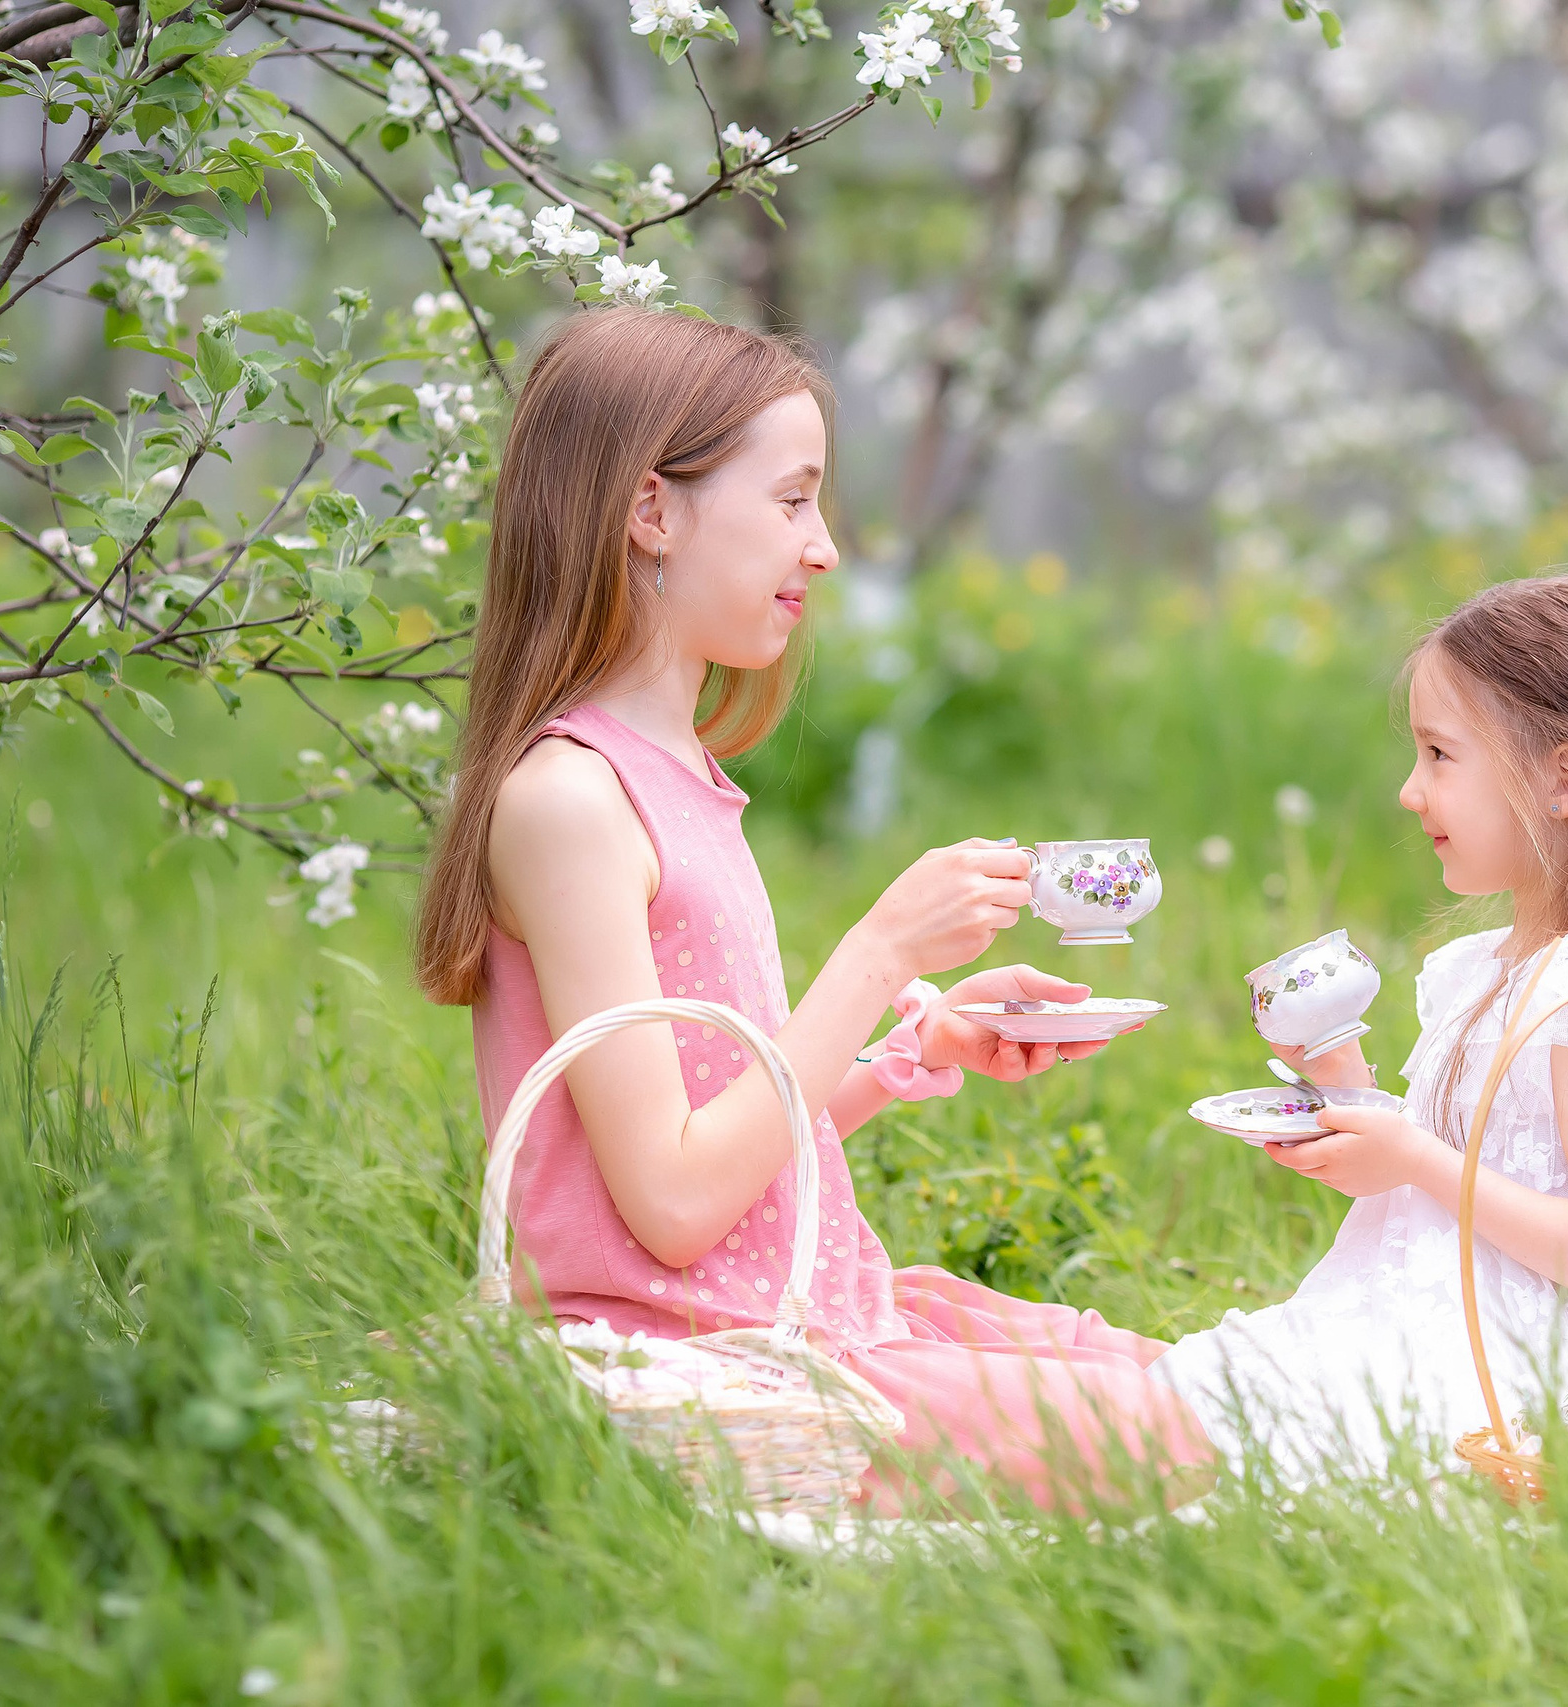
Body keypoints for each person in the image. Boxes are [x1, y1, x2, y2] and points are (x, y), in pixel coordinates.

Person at [415, 307, 1210, 1513]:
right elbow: (673, 1207)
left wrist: (906, 1052)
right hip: (710, 1365)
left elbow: (721, 1142)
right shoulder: (571, 800)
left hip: (800, 1318)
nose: (824, 547)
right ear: (650, 514)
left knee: (1195, 1381)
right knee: (1208, 1433)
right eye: (793, 501)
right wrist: (881, 949)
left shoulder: (674, 777)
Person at [1150, 571, 1568, 1482]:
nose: (1409, 790)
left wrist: (1415, 1159)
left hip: (1516, 1386)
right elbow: (1469, 1182)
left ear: (1563, 782)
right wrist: (1342, 1085)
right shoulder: (1498, 966)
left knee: (1146, 1419)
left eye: (1439, 755)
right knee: (1131, 1390)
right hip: (1442, 1335)